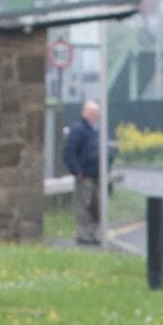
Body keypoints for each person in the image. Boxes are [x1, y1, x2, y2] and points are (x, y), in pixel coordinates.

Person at [63, 100, 104, 247]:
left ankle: (94, 233)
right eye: (93, 113)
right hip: (84, 174)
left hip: (98, 175)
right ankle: (83, 235)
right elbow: (69, 152)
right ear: (86, 113)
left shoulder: (97, 130)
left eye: (97, 113)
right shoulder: (78, 129)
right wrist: (77, 170)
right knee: (83, 206)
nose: (95, 116)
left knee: (97, 205)